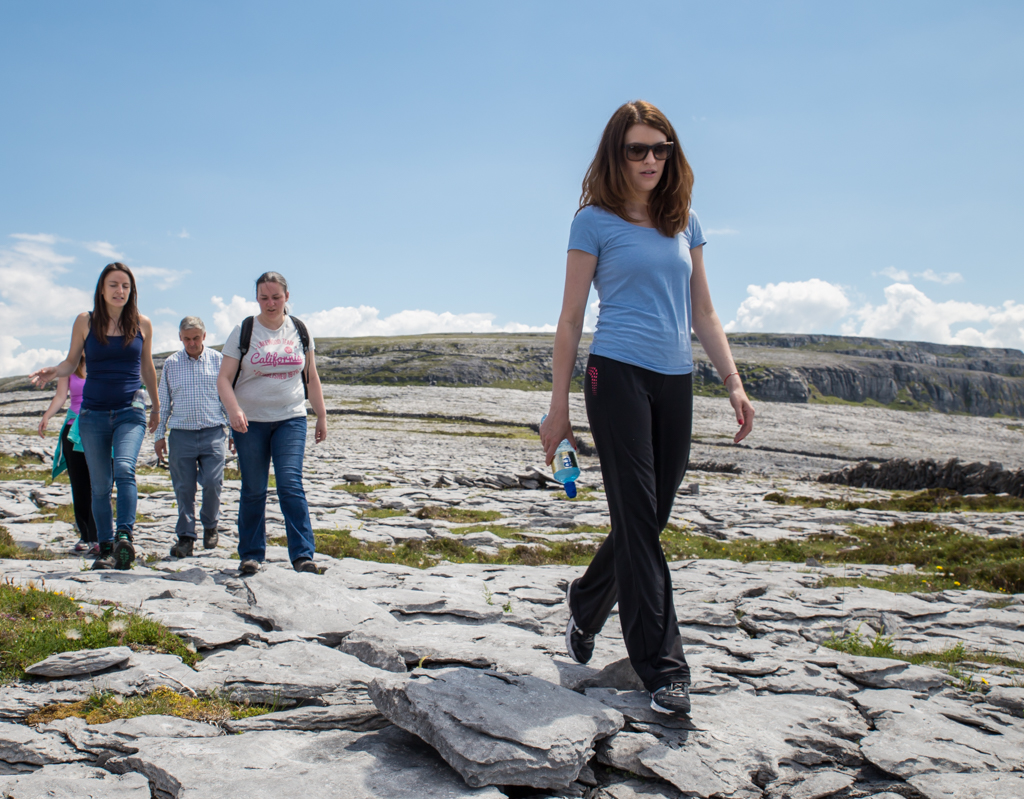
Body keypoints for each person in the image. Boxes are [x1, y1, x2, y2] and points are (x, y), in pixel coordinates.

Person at [540, 100, 755, 717]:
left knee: (648, 518)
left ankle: (586, 601)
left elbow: (704, 312)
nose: (651, 160)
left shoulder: (684, 219)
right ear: (616, 153)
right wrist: (558, 409)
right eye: (638, 149)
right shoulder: (594, 222)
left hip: (675, 379)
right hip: (616, 375)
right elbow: (571, 317)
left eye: (661, 148)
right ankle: (664, 669)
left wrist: (734, 382)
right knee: (636, 516)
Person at [30, 262, 160, 570]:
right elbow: (71, 361)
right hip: (92, 415)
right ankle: (104, 546)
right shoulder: (85, 322)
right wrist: (53, 371)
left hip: (130, 412)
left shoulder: (143, 323)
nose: (120, 291)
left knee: (125, 469)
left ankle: (124, 535)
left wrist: (156, 405)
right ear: (101, 289)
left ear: (132, 291)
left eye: (126, 286)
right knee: (100, 485)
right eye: (114, 285)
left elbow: (147, 368)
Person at [216, 271, 328, 576]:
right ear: (257, 298)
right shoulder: (245, 330)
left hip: (291, 417)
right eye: (264, 297)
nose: (270, 303)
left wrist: (321, 414)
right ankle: (251, 555)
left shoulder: (300, 330)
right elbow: (224, 380)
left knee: (290, 483)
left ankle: (303, 555)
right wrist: (234, 410)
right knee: (254, 488)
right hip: (250, 422)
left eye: (276, 297)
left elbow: (311, 377)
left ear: (287, 297)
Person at [154, 316, 231, 558]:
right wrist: (159, 435)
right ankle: (186, 537)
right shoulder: (171, 363)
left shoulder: (219, 361)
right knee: (184, 488)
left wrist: (235, 433)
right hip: (181, 435)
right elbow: (164, 402)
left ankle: (210, 525)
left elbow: (227, 400)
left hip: (213, 432)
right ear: (180, 337)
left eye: (196, 338)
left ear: (204, 336)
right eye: (186, 338)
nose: (191, 343)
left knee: (212, 482)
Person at [38, 356, 98, 554]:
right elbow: (61, 396)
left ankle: (99, 535)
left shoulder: (104, 360)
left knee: (100, 483)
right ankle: (85, 534)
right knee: (80, 484)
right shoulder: (69, 365)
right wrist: (47, 415)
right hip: (74, 430)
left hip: (100, 428)